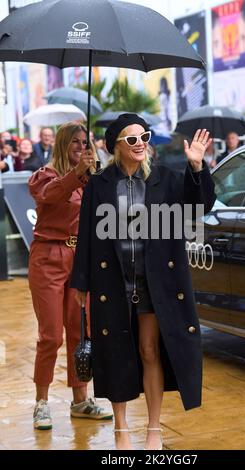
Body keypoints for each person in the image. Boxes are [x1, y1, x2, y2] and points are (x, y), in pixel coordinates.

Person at [71, 113, 216, 450]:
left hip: (154, 284)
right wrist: (80, 280)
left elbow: (198, 208)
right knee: (116, 352)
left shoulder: (166, 179)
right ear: (117, 146)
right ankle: (121, 428)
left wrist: (196, 167)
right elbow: (87, 236)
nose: (141, 144)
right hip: (112, 282)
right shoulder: (99, 183)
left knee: (150, 350)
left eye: (144, 136)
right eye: (132, 139)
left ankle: (154, 429)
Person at [28, 121, 113, 431]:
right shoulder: (45, 175)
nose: (80, 147)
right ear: (62, 144)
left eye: (84, 142)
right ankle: (41, 403)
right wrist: (77, 176)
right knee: (50, 335)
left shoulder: (89, 178)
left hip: (80, 259)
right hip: (48, 258)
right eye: (75, 142)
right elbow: (50, 195)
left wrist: (95, 174)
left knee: (81, 333)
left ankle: (81, 400)